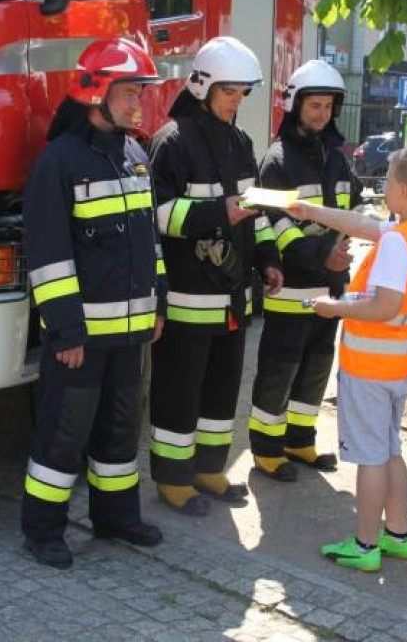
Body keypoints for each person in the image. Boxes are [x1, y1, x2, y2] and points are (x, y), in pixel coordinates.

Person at [21, 38, 167, 569]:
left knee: (120, 429)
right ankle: (42, 530)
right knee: (64, 434)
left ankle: (116, 517)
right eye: (129, 92)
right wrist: (65, 332)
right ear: (94, 93)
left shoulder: (134, 155)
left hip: (130, 333)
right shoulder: (59, 162)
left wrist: (158, 304)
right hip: (81, 339)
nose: (138, 104)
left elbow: (148, 242)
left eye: (139, 93)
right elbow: (49, 256)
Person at [289, 144, 407, 573]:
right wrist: (311, 211)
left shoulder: (397, 243)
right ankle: (397, 535)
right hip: (399, 364)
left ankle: (364, 543)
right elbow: (362, 224)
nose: (385, 191)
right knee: (390, 450)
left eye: (390, 184)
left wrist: (333, 307)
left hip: (370, 366)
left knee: (370, 457)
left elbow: (383, 307)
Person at [148, 36, 283, 516]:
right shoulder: (172, 141)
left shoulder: (241, 143)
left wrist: (269, 258)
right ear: (203, 86)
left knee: (223, 390)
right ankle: (171, 478)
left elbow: (259, 210)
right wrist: (219, 211)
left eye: (243, 93)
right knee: (179, 391)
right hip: (188, 298)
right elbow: (160, 217)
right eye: (230, 91)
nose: (236, 101)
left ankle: (208, 468)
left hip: (232, 298)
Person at [249, 60, 359, 482]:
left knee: (316, 366)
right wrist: (321, 257)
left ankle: (299, 439)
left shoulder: (336, 158)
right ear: (295, 104)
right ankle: (265, 448)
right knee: (280, 367)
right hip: (293, 285)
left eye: (328, 107)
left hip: (330, 287)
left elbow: (348, 209)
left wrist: (341, 253)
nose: (321, 114)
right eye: (314, 106)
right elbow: (277, 226)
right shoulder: (277, 160)